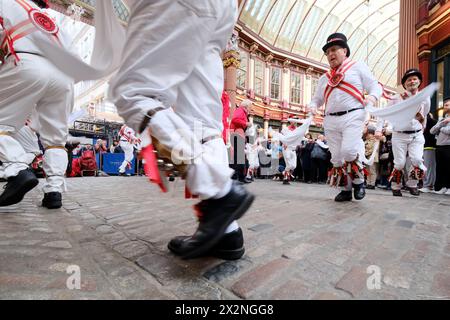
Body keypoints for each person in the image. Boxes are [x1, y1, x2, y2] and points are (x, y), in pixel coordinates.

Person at [107, 0, 254, 260]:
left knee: (134, 94)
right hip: (221, 9)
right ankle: (227, 232)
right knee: (203, 124)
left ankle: (222, 194)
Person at [0, 0, 73, 209]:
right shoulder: (50, 19)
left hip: (27, 63)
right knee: (56, 139)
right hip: (64, 74)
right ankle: (54, 192)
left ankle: (17, 169)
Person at [308, 33, 382, 202]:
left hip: (353, 115)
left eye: (334, 50)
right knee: (337, 157)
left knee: (349, 151)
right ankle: (346, 189)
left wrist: (371, 97)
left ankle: (359, 181)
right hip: (330, 120)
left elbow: (375, 86)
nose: (330, 55)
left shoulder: (358, 66)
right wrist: (312, 106)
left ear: (344, 50)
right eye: (327, 52)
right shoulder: (323, 78)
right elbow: (317, 99)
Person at [386, 69, 430, 197]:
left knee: (416, 160)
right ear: (404, 84)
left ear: (419, 82)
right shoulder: (397, 96)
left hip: (416, 134)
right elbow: (386, 113)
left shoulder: (424, 96)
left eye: (414, 79)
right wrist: (381, 129)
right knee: (399, 163)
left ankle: (413, 185)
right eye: (409, 80)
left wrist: (423, 126)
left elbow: (425, 113)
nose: (412, 81)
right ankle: (396, 186)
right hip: (399, 134)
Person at [430, 96, 450, 195]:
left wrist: (441, 126)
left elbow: (448, 131)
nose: (445, 107)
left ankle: (449, 187)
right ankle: (441, 187)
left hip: (448, 146)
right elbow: (432, 130)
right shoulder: (443, 118)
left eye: (447, 105)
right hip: (439, 146)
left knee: (448, 167)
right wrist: (441, 124)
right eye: (444, 105)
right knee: (440, 167)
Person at [230, 99, 252, 183]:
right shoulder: (240, 110)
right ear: (246, 106)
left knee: (240, 158)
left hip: (239, 135)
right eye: (250, 107)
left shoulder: (243, 112)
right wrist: (246, 123)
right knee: (238, 158)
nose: (250, 109)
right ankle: (237, 177)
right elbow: (234, 119)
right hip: (237, 135)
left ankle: (240, 177)